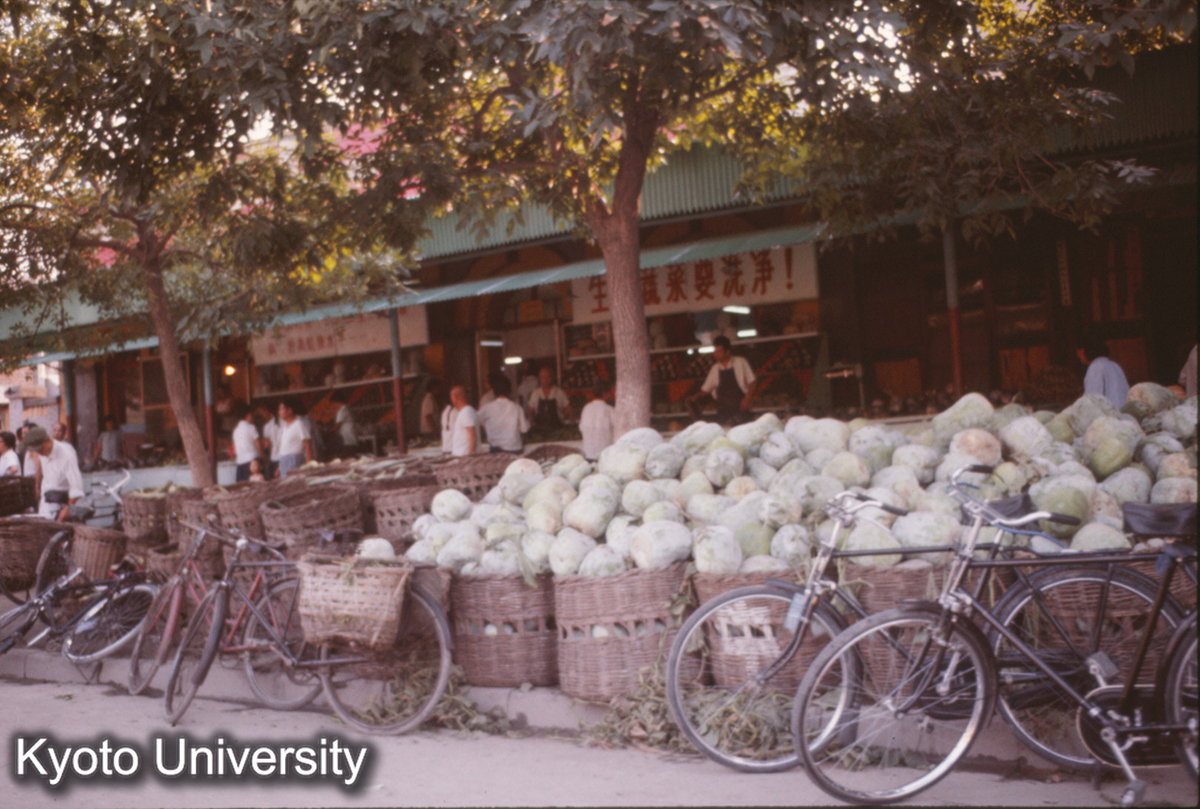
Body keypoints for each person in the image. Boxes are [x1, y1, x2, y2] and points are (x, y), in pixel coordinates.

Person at [690, 335, 757, 426]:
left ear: (727, 352)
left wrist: (747, 398)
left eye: (719, 351)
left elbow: (752, 382)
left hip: (741, 411)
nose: (715, 354)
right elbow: (705, 389)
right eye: (715, 351)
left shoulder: (740, 362)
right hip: (723, 413)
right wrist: (695, 397)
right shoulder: (715, 368)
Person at [20, 425, 83, 521]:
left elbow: (76, 487)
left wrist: (68, 509)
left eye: (40, 449)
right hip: (47, 503)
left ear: (48, 440)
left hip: (64, 504)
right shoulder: (42, 453)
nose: (39, 453)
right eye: (37, 451)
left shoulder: (66, 453)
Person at [477, 376, 529, 454]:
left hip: (496, 451)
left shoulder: (487, 408)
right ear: (509, 391)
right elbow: (524, 429)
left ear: (494, 391)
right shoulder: (517, 408)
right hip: (514, 450)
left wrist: (485, 424)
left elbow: (474, 421)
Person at [1078, 335, 1129, 408]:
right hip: (1124, 414)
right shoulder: (1114, 365)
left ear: (1082, 350)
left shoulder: (1095, 367)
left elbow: (1091, 400)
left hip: (1111, 416)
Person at [275, 398, 313, 477]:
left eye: (281, 409)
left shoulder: (299, 424)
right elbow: (285, 447)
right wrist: (280, 466)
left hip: (295, 460)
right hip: (284, 459)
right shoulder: (285, 427)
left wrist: (309, 465)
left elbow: (307, 444)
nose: (279, 412)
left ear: (289, 410)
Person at [579, 384, 617, 462]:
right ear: (605, 394)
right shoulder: (609, 410)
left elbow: (581, 428)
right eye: (610, 392)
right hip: (605, 455)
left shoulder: (586, 408)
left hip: (588, 453)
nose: (611, 395)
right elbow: (618, 430)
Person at [527, 366, 572, 431]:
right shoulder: (536, 393)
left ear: (552, 378)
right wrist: (530, 422)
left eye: (548, 377)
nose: (545, 380)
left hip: (558, 429)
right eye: (543, 377)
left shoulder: (559, 392)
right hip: (540, 429)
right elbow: (530, 411)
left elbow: (568, 409)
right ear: (540, 379)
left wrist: (572, 423)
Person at [231, 403, 262, 482]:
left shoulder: (236, 431)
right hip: (252, 463)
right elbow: (258, 446)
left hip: (240, 463)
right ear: (248, 415)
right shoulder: (251, 427)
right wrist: (263, 457)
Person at [445, 385, 478, 457]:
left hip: (464, 456)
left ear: (454, 398)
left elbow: (472, 434)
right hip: (461, 455)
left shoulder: (466, 412)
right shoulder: (465, 411)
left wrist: (471, 453)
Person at [332, 392, 359, 457]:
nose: (334, 406)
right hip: (350, 438)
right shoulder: (346, 409)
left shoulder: (342, 410)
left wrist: (328, 431)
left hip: (347, 439)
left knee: (348, 457)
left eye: (334, 403)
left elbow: (337, 426)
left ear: (338, 401)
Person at [419, 380, 442, 445]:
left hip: (431, 431)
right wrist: (434, 432)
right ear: (433, 388)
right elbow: (428, 417)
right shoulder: (428, 399)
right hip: (429, 432)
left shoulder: (432, 399)